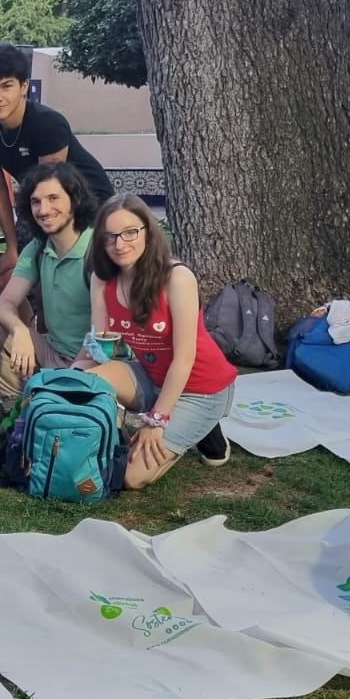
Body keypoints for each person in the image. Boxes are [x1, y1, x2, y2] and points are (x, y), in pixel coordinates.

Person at [82, 193, 237, 487]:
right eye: (110, 236)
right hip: (152, 377)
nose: (119, 244)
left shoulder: (177, 278)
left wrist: (156, 421)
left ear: (148, 232)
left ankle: (202, 427)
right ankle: (115, 438)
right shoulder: (102, 279)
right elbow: (100, 346)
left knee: (131, 478)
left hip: (200, 387)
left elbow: (185, 358)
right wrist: (74, 376)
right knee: (87, 379)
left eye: (130, 232)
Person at [0, 162, 97, 436]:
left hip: (94, 361)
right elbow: (6, 303)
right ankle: (17, 414)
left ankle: (54, 408)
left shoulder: (98, 250)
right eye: (36, 202)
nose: (44, 210)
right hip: (53, 352)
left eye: (53, 198)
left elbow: (108, 333)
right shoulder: (38, 248)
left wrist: (75, 372)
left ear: (75, 200)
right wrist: (20, 331)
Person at [0, 42, 113, 291]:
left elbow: (50, 190)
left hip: (88, 202)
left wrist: (34, 249)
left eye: (6, 86)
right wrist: (11, 246)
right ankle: (25, 315)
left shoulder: (48, 124)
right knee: (7, 278)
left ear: (24, 86)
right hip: (40, 200)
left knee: (65, 277)